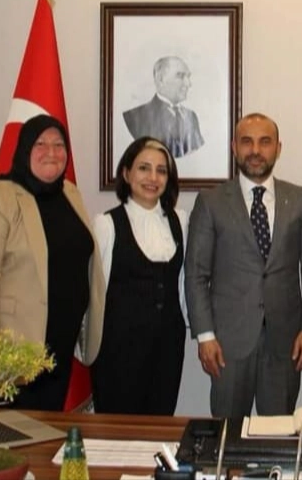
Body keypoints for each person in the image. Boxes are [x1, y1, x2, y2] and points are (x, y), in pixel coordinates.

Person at [184, 113, 302, 417]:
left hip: (285, 341)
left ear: (278, 148)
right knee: (227, 432)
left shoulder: (300, 200)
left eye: (265, 142)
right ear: (234, 147)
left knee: (279, 434)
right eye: (247, 142)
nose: (256, 151)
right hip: (227, 343)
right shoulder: (210, 202)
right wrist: (205, 336)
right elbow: (196, 274)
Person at [0, 115, 105, 411]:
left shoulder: (70, 192)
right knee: (13, 433)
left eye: (59, 144)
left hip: (60, 346)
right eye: (41, 144)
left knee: (48, 429)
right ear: (25, 149)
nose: (51, 152)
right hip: (14, 352)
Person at [92, 137, 188, 415]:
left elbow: (182, 285)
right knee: (118, 427)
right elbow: (96, 296)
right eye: (144, 168)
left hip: (168, 347)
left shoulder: (180, 221)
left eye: (161, 170)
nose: (153, 178)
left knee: (160, 423)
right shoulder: (107, 224)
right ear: (126, 173)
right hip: (118, 349)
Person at [123, 56, 204, 158]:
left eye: (188, 76)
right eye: (180, 76)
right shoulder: (133, 117)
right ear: (160, 80)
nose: (188, 84)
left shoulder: (191, 117)